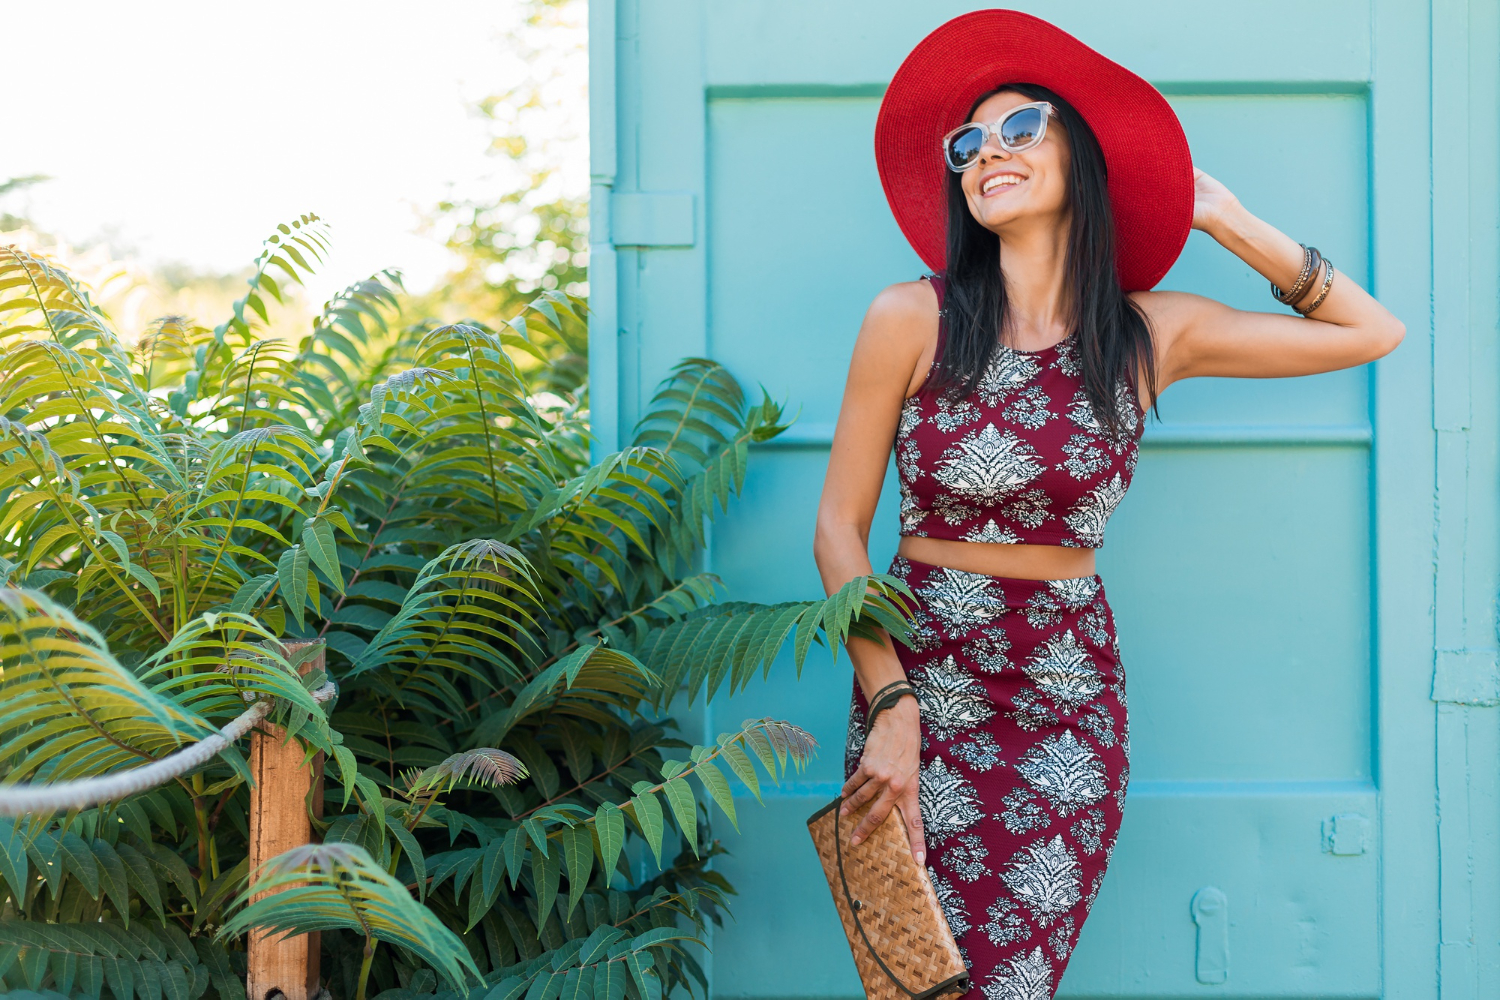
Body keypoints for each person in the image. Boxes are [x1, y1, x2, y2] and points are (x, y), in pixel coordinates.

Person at [812, 10, 1403, 996]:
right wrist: (890, 702)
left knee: (1012, 982)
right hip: (920, 687)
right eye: (968, 144)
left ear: (1078, 157)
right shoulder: (909, 318)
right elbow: (838, 530)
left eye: (1020, 129)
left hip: (1065, 702)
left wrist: (1224, 218)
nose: (986, 153)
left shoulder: (1146, 337)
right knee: (915, 978)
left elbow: (1368, 330)